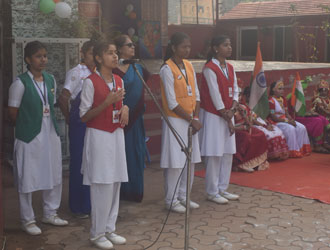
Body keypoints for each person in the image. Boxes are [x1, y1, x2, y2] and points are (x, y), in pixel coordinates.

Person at [8, 41, 68, 236]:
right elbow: (12, 112)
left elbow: (50, 103)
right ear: (28, 59)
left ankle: (50, 212)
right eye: (38, 56)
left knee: (53, 171)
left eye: (45, 55)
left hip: (49, 131)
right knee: (28, 175)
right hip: (29, 134)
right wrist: (28, 125)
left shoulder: (50, 79)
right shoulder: (20, 83)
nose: (43, 59)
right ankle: (28, 219)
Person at [79, 40, 129, 250]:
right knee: (102, 184)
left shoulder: (119, 79)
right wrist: (107, 103)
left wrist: (125, 107)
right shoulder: (90, 82)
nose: (115, 56)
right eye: (109, 53)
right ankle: (97, 233)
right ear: (98, 58)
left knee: (116, 181)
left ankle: (110, 227)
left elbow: (121, 104)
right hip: (99, 136)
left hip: (116, 134)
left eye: (116, 52)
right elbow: (83, 116)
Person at [160, 32, 202, 213]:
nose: (187, 49)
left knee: (190, 160)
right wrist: (191, 120)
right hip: (176, 120)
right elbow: (171, 102)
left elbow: (197, 95)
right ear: (174, 47)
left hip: (191, 119)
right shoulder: (166, 69)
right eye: (184, 46)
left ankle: (185, 195)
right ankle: (171, 199)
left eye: (189, 46)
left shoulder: (189, 66)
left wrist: (196, 118)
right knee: (175, 162)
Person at [199, 35, 239, 204]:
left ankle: (223, 187)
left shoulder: (230, 67)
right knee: (215, 153)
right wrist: (227, 114)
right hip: (215, 115)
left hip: (228, 113)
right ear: (216, 48)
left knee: (227, 152)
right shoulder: (209, 68)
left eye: (229, 44)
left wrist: (234, 108)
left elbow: (236, 89)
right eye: (225, 45)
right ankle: (212, 191)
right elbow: (215, 95)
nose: (229, 47)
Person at [58, 40, 95, 218]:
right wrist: (70, 120)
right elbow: (63, 97)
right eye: (90, 54)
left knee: (92, 162)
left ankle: (91, 203)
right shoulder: (77, 72)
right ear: (83, 53)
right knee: (79, 163)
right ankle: (78, 205)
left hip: (94, 122)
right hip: (79, 123)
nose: (93, 58)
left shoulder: (98, 73)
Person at [113, 35, 148, 202]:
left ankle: (135, 191)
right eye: (129, 45)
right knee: (123, 155)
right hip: (120, 120)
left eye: (133, 44)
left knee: (136, 154)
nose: (133, 47)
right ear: (120, 49)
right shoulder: (114, 70)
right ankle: (122, 192)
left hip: (136, 120)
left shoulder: (138, 68)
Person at [243, 87, 289, 161]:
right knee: (269, 134)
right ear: (247, 96)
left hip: (261, 121)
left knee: (278, 132)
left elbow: (260, 116)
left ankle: (279, 154)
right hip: (254, 124)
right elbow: (253, 119)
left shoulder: (256, 105)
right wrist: (265, 126)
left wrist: (267, 123)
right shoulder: (244, 106)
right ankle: (271, 156)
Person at [268, 81, 311, 158]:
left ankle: (301, 150)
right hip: (276, 122)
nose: (282, 91)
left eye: (283, 89)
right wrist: (287, 121)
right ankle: (292, 151)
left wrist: (291, 120)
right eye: (280, 89)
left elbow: (286, 112)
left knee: (301, 127)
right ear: (273, 90)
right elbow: (273, 117)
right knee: (290, 129)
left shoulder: (283, 99)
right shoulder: (271, 101)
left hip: (285, 120)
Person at [288, 79, 330, 153]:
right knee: (318, 120)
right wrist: (308, 114)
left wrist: (309, 113)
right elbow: (296, 113)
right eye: (303, 89)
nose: (304, 91)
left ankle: (324, 143)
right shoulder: (293, 98)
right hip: (295, 118)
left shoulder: (301, 96)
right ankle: (317, 145)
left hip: (305, 116)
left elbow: (304, 111)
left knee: (322, 119)